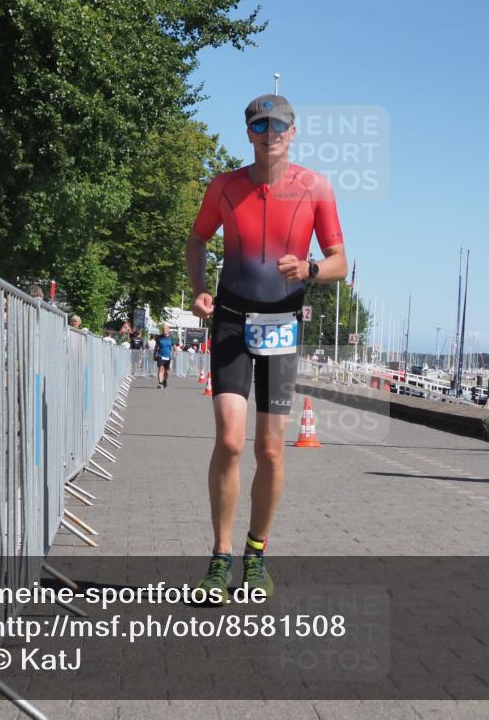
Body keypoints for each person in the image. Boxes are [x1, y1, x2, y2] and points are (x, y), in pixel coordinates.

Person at [185, 93, 347, 602]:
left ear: (293, 132)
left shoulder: (315, 187)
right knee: (231, 441)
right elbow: (197, 240)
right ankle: (220, 558)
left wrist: (311, 269)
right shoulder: (225, 187)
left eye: (278, 125)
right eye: (260, 126)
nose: (269, 133)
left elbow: (341, 261)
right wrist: (199, 289)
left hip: (281, 324)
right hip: (232, 321)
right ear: (249, 133)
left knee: (271, 449)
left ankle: (256, 554)